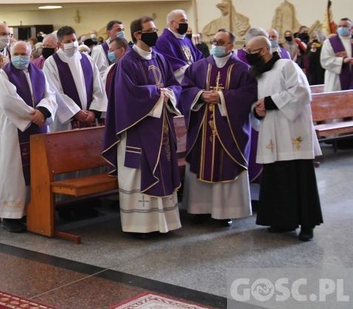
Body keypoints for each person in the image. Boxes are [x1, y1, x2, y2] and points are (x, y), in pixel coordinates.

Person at [102, 16, 182, 237]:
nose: (155, 33)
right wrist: (158, 93)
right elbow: (126, 95)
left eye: (155, 29)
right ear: (137, 34)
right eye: (150, 30)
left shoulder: (160, 58)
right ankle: (140, 226)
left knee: (162, 169)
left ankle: (164, 222)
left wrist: (170, 94)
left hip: (162, 126)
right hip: (137, 127)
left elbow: (174, 86)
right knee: (139, 172)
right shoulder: (126, 62)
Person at [246, 35, 323, 241]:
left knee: (299, 177)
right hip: (272, 132)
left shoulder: (286, 66)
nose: (247, 56)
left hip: (292, 132)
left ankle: (307, 224)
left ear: (263, 50)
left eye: (250, 51)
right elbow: (256, 102)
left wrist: (270, 102)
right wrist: (257, 110)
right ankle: (283, 220)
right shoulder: (259, 73)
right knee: (277, 176)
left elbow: (302, 92)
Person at [179, 30, 257, 227]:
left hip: (229, 129)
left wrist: (222, 97)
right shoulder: (197, 67)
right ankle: (199, 209)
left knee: (226, 165)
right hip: (202, 129)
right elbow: (185, 90)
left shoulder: (244, 70)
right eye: (213, 41)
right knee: (200, 163)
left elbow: (249, 94)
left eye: (221, 42)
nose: (216, 45)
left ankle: (225, 211)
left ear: (231, 45)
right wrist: (200, 95)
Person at [0, 41, 57, 232]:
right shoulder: (3, 74)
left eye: (24, 54)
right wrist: (33, 115)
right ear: (10, 55)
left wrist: (44, 111)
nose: (21, 58)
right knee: (12, 171)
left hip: (37, 128)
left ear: (30, 55)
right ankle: (10, 215)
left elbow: (50, 95)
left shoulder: (40, 73)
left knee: (37, 169)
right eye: (17, 54)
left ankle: (35, 209)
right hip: (13, 130)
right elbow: (8, 100)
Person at [43, 26, 105, 132]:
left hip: (90, 119)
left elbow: (98, 87)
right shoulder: (51, 63)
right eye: (68, 41)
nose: (73, 44)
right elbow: (55, 92)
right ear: (58, 44)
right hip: (67, 122)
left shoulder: (88, 60)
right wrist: (75, 112)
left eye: (74, 40)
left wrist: (93, 111)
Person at [154, 9, 202, 83]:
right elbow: (172, 65)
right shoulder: (162, 41)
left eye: (186, 20)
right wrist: (194, 72)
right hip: (179, 85)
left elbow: (200, 58)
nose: (186, 23)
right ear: (172, 23)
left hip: (193, 81)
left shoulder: (186, 40)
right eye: (182, 21)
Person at [320, 18, 353, 92]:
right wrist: (342, 61)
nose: (341, 28)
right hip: (336, 79)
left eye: (344, 26)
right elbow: (324, 60)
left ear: (351, 28)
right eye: (340, 26)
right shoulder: (329, 42)